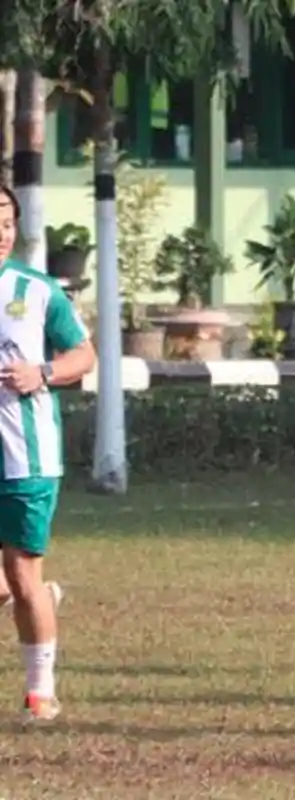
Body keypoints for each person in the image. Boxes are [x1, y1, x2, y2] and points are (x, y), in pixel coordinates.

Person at [0, 187, 95, 723]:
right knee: (17, 582)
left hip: (25, 458)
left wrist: (42, 373)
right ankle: (40, 600)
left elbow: (84, 354)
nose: (1, 232)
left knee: (20, 571)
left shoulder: (35, 291)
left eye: (8, 221)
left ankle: (41, 691)